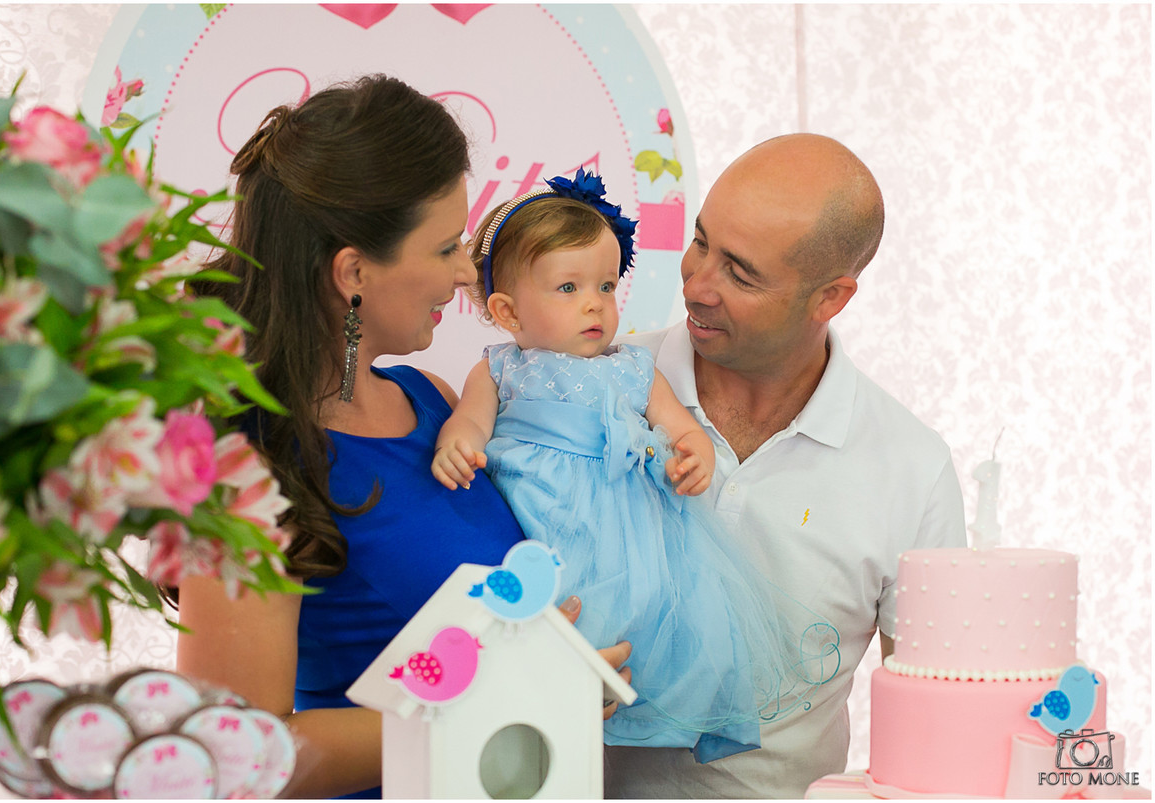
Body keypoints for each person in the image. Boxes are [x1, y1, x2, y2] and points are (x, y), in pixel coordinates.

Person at [174, 76, 631, 799]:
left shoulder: (436, 403)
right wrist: (503, 700)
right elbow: (230, 756)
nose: (466, 270)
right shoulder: (245, 471)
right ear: (354, 272)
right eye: (447, 246)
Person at [602, 134, 967, 798]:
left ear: (831, 298)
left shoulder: (912, 470)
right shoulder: (590, 384)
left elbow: (935, 733)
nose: (697, 284)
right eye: (700, 241)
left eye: (740, 274)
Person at [431, 169, 837, 765]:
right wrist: (458, 444)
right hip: (541, 518)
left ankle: (656, 711)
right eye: (568, 288)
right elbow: (470, 420)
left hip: (628, 531)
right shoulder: (500, 368)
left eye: (605, 285)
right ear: (508, 311)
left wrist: (693, 453)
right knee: (556, 620)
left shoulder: (633, 367)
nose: (594, 303)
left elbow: (680, 427)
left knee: (663, 615)